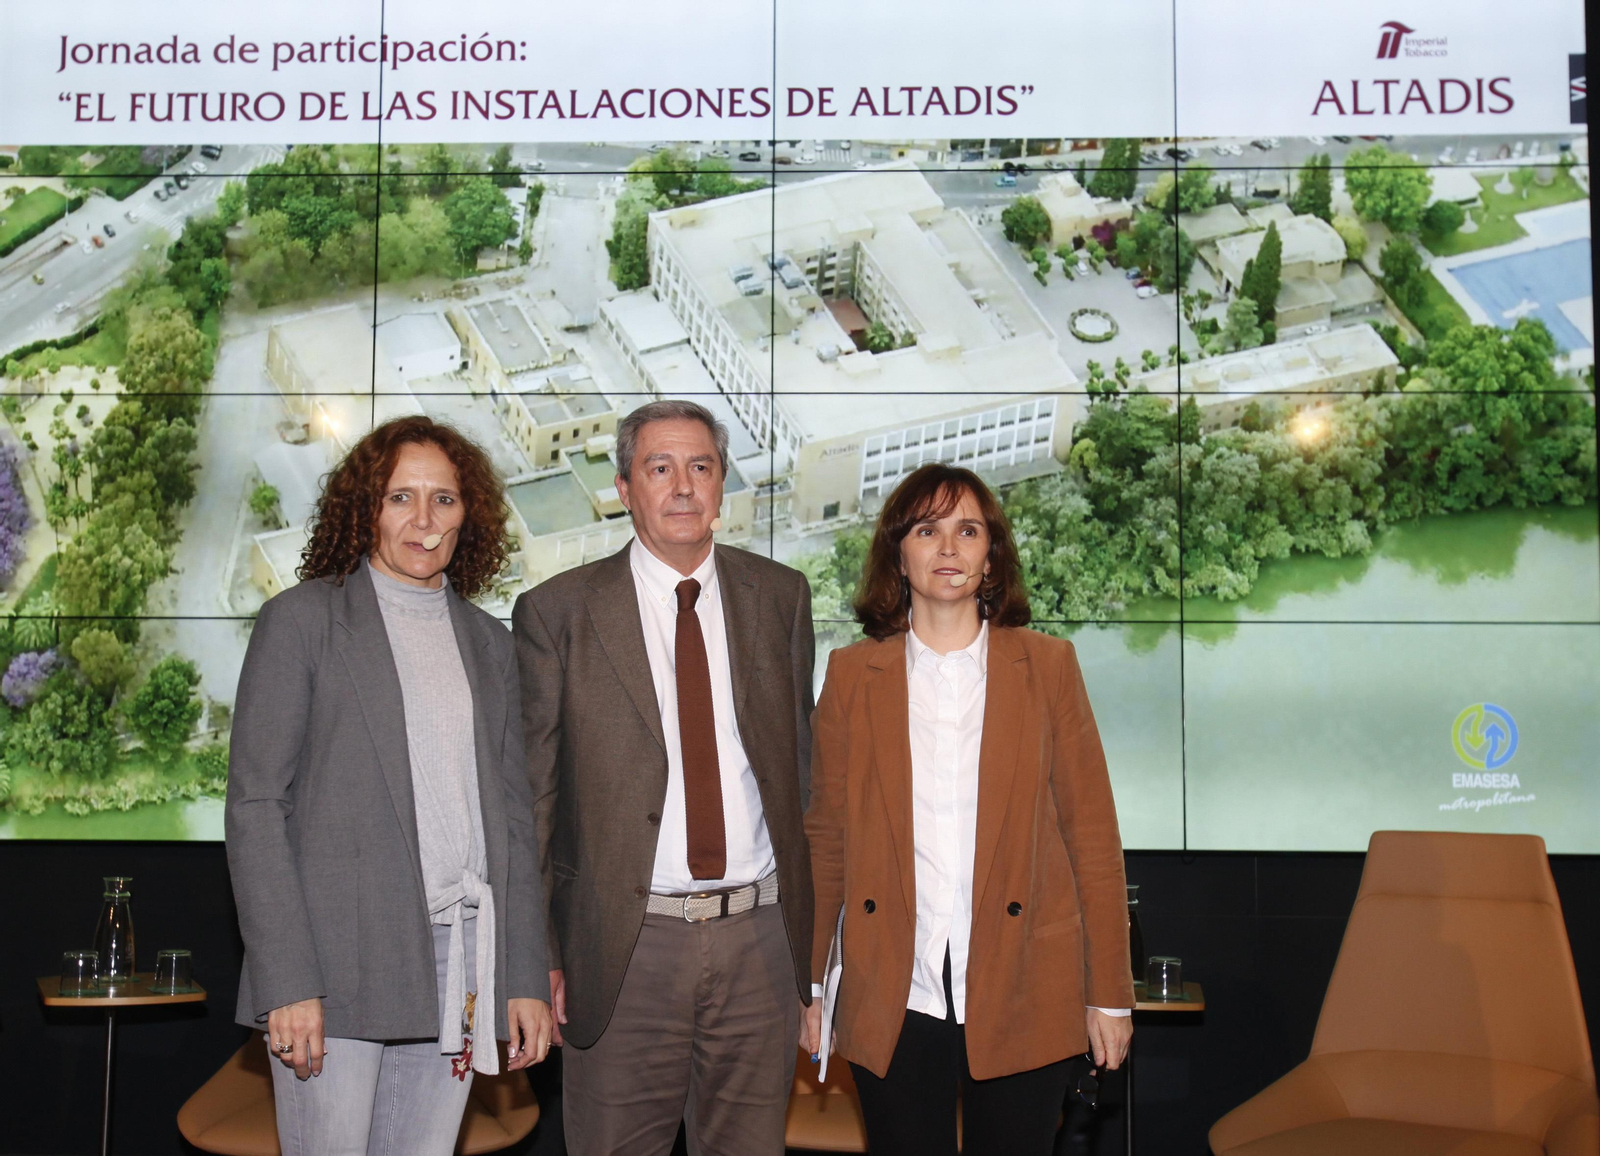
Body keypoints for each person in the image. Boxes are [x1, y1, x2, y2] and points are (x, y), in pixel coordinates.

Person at [226, 416, 553, 1155]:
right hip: (336, 964)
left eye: (444, 500)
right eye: (401, 497)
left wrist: (521, 976)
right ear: (365, 507)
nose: (424, 520)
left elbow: (512, 822)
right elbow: (255, 810)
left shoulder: (490, 644)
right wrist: (287, 980)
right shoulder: (302, 622)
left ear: (469, 516)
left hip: (462, 964)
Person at [801, 462, 1134, 1156]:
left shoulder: (1049, 667)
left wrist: (1110, 994)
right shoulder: (851, 676)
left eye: (968, 530)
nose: (948, 549)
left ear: (991, 557)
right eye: (927, 530)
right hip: (892, 988)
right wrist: (811, 985)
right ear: (899, 552)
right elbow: (826, 840)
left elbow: (1093, 841)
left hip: (1024, 986)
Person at [514, 399, 815, 1156]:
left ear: (720, 485)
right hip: (622, 950)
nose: (683, 486)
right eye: (660, 467)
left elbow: (803, 781)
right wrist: (538, 956)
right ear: (623, 488)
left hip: (761, 944)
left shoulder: (781, 598)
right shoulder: (557, 613)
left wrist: (818, 959)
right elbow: (534, 806)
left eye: (701, 467)